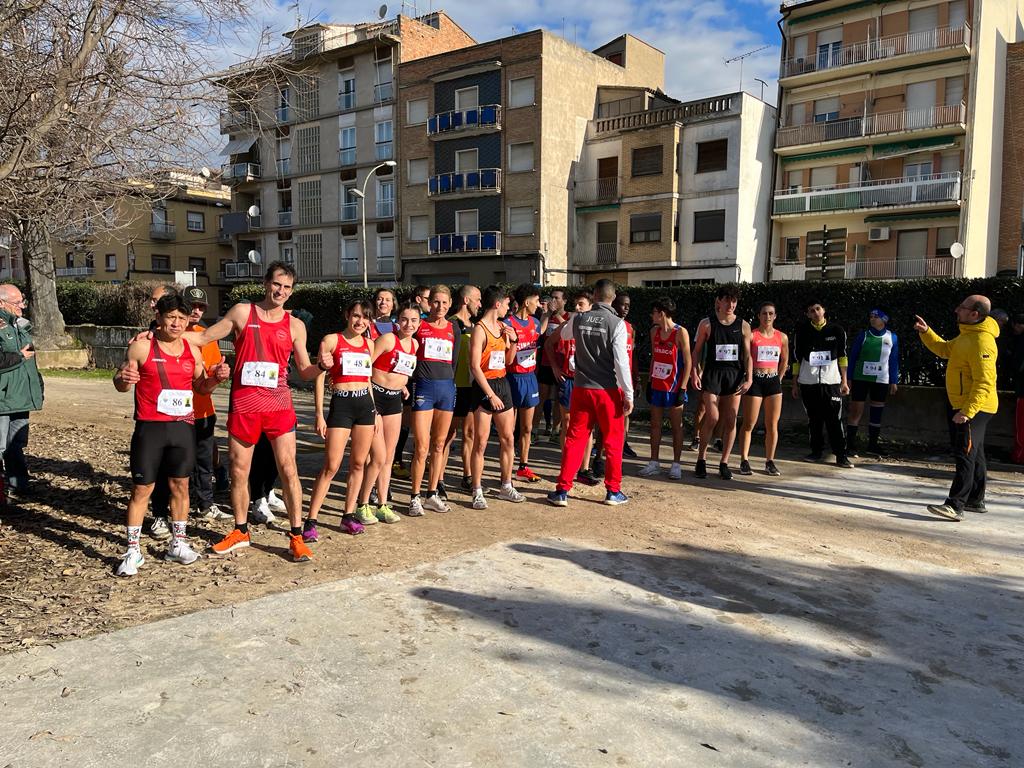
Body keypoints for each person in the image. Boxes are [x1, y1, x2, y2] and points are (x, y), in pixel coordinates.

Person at [184, 262, 323, 562]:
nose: (281, 291)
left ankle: (296, 536)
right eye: (277, 284)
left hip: (279, 406)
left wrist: (323, 366)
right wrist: (158, 335)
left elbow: (304, 370)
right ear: (265, 283)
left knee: (288, 469)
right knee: (238, 471)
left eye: (287, 287)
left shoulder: (295, 325)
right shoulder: (242, 312)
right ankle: (240, 531)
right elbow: (204, 337)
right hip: (245, 406)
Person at [112, 294, 230, 576]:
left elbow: (201, 387)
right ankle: (132, 551)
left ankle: (178, 543)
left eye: (182, 317)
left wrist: (217, 378)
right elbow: (121, 381)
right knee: (142, 489)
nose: (176, 323)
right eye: (171, 317)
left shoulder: (192, 350)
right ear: (159, 318)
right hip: (150, 428)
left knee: (180, 486)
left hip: (182, 428)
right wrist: (122, 380)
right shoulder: (142, 347)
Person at [547, 279, 634, 507]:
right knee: (613, 441)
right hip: (607, 391)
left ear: (594, 296)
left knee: (575, 439)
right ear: (613, 298)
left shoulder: (578, 318)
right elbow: (621, 363)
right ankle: (613, 491)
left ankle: (562, 490)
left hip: (581, 389)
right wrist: (629, 394)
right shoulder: (617, 323)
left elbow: (564, 336)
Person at [915, 295, 999, 521]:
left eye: (962, 307)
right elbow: (944, 349)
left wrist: (967, 412)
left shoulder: (982, 341)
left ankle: (955, 504)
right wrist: (926, 332)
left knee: (965, 453)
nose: (956, 310)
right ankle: (975, 499)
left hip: (973, 407)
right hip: (965, 405)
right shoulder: (967, 335)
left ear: (975, 314)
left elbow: (985, 382)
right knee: (976, 454)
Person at [304, 300, 381, 540]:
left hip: (365, 407)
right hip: (342, 405)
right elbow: (319, 377)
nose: (360, 322)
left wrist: (375, 410)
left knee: (358, 464)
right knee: (331, 465)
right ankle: (311, 520)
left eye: (366, 318)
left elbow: (367, 378)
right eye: (357, 316)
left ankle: (348, 515)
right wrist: (319, 413)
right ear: (348, 315)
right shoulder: (332, 340)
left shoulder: (369, 344)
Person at [360, 302, 421, 525]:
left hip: (395, 400)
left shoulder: (414, 344)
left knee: (388, 456)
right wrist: (370, 402)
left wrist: (402, 385)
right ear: (397, 320)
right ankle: (362, 504)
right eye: (404, 319)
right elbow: (366, 367)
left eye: (414, 320)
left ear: (419, 322)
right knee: (376, 457)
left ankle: (382, 504)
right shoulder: (387, 339)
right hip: (375, 397)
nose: (409, 324)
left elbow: (399, 369)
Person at [468, 285, 525, 509]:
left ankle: (506, 485)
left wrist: (514, 340)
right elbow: (474, 366)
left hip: (502, 383)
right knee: (480, 442)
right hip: (485, 387)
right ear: (497, 304)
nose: (509, 308)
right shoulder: (479, 329)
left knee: (508, 438)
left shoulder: (504, 327)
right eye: (508, 304)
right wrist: (489, 394)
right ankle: (477, 490)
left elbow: (509, 361)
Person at [180, 286, 232, 521]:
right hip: (176, 413)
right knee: (179, 463)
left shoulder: (208, 336)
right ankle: (174, 507)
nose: (197, 311)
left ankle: (206, 504)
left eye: (201, 307)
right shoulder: (166, 334)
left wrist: (218, 373)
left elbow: (211, 371)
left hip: (203, 410)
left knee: (203, 462)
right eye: (192, 305)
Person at [691, 284, 752, 480]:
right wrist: (694, 372)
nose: (730, 304)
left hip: (734, 376)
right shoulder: (707, 324)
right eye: (727, 300)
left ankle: (724, 462)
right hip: (713, 375)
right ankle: (701, 459)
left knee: (731, 420)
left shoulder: (743, 325)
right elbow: (697, 350)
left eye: (734, 301)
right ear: (719, 301)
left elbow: (748, 355)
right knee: (713, 417)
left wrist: (749, 378)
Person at [409, 285, 459, 515]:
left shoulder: (453, 328)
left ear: (450, 304)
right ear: (429, 303)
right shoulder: (419, 326)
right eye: (436, 302)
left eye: (444, 303)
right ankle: (414, 496)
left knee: (439, 445)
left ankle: (432, 494)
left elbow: (454, 362)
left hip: (446, 389)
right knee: (421, 447)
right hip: (424, 389)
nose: (440, 307)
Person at [791, 299, 854, 469]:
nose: (815, 313)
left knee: (835, 419)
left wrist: (844, 380)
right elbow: (796, 358)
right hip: (808, 382)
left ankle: (841, 455)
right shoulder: (802, 331)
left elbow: (842, 356)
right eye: (811, 311)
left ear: (824, 310)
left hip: (831, 382)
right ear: (807, 314)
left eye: (818, 309)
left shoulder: (837, 330)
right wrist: (795, 383)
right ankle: (816, 452)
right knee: (814, 420)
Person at [546, 292, 599, 486]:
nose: (577, 308)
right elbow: (549, 344)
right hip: (568, 380)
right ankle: (567, 465)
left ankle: (584, 469)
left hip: (587, 382)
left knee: (587, 426)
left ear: (590, 307)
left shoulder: (595, 328)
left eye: (581, 305)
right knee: (567, 423)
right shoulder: (567, 326)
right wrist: (555, 367)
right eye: (576, 304)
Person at [637, 297, 691, 480]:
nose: (651, 316)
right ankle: (654, 462)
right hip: (658, 385)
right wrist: (650, 382)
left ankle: (676, 464)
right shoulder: (654, 332)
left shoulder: (680, 332)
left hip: (675, 387)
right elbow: (654, 357)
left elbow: (689, 362)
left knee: (677, 426)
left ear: (661, 313)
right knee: (655, 424)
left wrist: (683, 388)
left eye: (653, 313)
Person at [0, 284, 42, 499]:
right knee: (0, 446)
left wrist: (37, 387)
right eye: (17, 303)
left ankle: (19, 486)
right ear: (1, 303)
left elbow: (31, 361)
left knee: (16, 444)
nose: (22, 307)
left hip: (21, 397)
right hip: (3, 398)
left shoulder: (21, 325)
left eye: (22, 302)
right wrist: (17, 357)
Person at [739, 302, 788, 476]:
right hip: (756, 382)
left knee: (772, 424)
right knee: (749, 423)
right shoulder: (752, 336)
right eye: (764, 313)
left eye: (771, 313)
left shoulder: (782, 337)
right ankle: (744, 460)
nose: (767, 317)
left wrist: (779, 379)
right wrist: (749, 378)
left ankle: (769, 461)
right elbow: (746, 358)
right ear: (759, 316)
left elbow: (784, 360)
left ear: (775, 316)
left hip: (773, 382)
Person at [846, 309, 899, 458]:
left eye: (876, 317)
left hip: (881, 380)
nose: (872, 319)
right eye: (870, 316)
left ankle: (873, 445)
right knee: (856, 411)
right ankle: (850, 445)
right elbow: (853, 357)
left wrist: (893, 381)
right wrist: (848, 378)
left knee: (877, 413)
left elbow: (893, 360)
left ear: (884, 320)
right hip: (861, 379)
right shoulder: (863, 335)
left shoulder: (892, 337)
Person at [504, 283, 543, 483]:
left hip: (530, 378)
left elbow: (540, 334)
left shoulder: (536, 322)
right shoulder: (508, 323)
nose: (538, 304)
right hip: (512, 378)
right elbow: (505, 357)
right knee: (510, 430)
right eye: (536, 301)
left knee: (527, 428)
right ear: (527, 302)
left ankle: (523, 466)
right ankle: (507, 468)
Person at [445, 284, 481, 492]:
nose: (480, 304)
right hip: (453, 387)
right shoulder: (451, 324)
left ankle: (467, 475)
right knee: (448, 435)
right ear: (466, 300)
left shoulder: (476, 326)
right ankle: (438, 478)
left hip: (470, 386)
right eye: (477, 299)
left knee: (469, 433)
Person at [536, 289, 569, 440]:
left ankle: (556, 431)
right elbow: (540, 333)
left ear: (564, 301)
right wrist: (548, 315)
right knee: (541, 397)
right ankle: (535, 430)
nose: (553, 301)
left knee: (558, 399)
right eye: (552, 298)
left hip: (561, 364)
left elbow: (567, 328)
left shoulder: (569, 317)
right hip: (545, 363)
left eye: (557, 298)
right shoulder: (546, 315)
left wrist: (556, 314)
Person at [1011, 314, 1024, 465]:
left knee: (1021, 426)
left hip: (1023, 391)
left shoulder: (1021, 341)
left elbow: (1017, 365)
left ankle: (1020, 455)